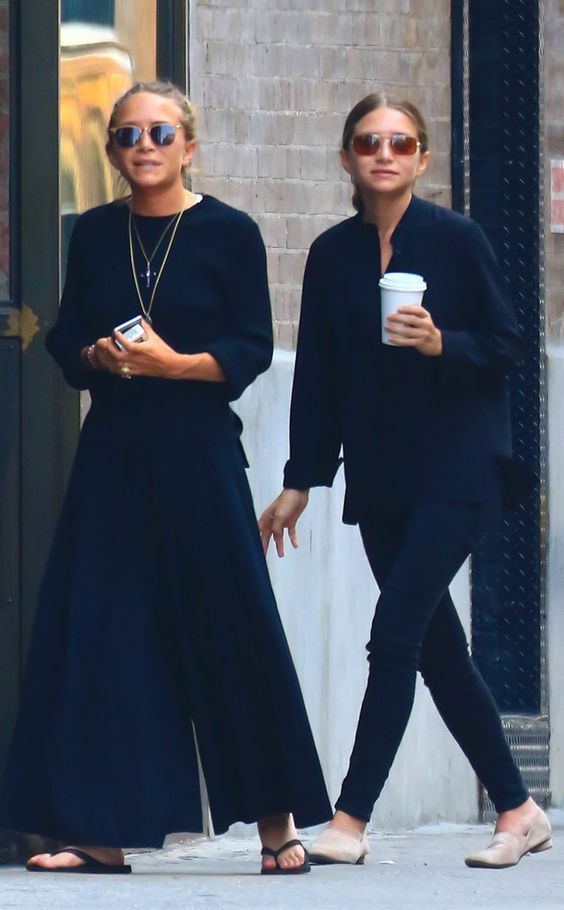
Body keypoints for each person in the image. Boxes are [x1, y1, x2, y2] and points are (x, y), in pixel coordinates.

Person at [0, 80, 332, 875]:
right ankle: (98, 833)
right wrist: (96, 356)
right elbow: (67, 334)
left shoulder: (229, 232)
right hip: (114, 453)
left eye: (157, 132)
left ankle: (275, 825)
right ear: (112, 152)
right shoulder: (94, 235)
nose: (141, 146)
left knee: (232, 628)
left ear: (188, 143)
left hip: (199, 453)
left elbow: (250, 344)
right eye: (125, 135)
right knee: (102, 635)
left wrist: (174, 364)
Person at [259, 92, 552, 870]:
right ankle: (520, 810)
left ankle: (351, 819)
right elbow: (317, 378)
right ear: (348, 158)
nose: (383, 155)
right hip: (383, 476)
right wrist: (301, 480)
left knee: (393, 636)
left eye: (399, 143)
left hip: (462, 469)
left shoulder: (457, 240)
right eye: (368, 142)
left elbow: (508, 344)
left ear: (421, 158)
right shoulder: (330, 255)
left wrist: (440, 345)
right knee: (437, 652)